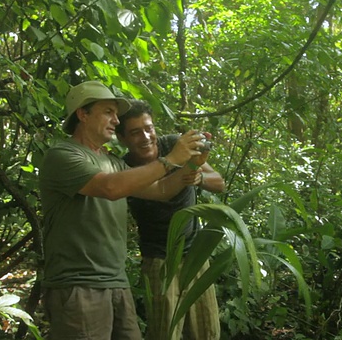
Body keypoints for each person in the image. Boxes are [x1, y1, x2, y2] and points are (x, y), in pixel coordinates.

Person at [38, 80, 206, 340]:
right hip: (79, 285)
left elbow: (160, 190)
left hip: (116, 283)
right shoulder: (64, 155)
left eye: (115, 113)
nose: (116, 120)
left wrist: (192, 165)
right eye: (108, 112)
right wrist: (170, 159)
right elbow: (109, 188)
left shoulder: (112, 161)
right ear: (83, 114)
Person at [116, 100, 225, 340]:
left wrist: (199, 177)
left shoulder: (173, 144)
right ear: (122, 138)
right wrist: (185, 166)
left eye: (149, 128)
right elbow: (162, 189)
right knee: (166, 333)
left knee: (207, 333)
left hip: (195, 255)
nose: (146, 137)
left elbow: (218, 182)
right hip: (159, 260)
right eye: (135, 132)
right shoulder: (125, 169)